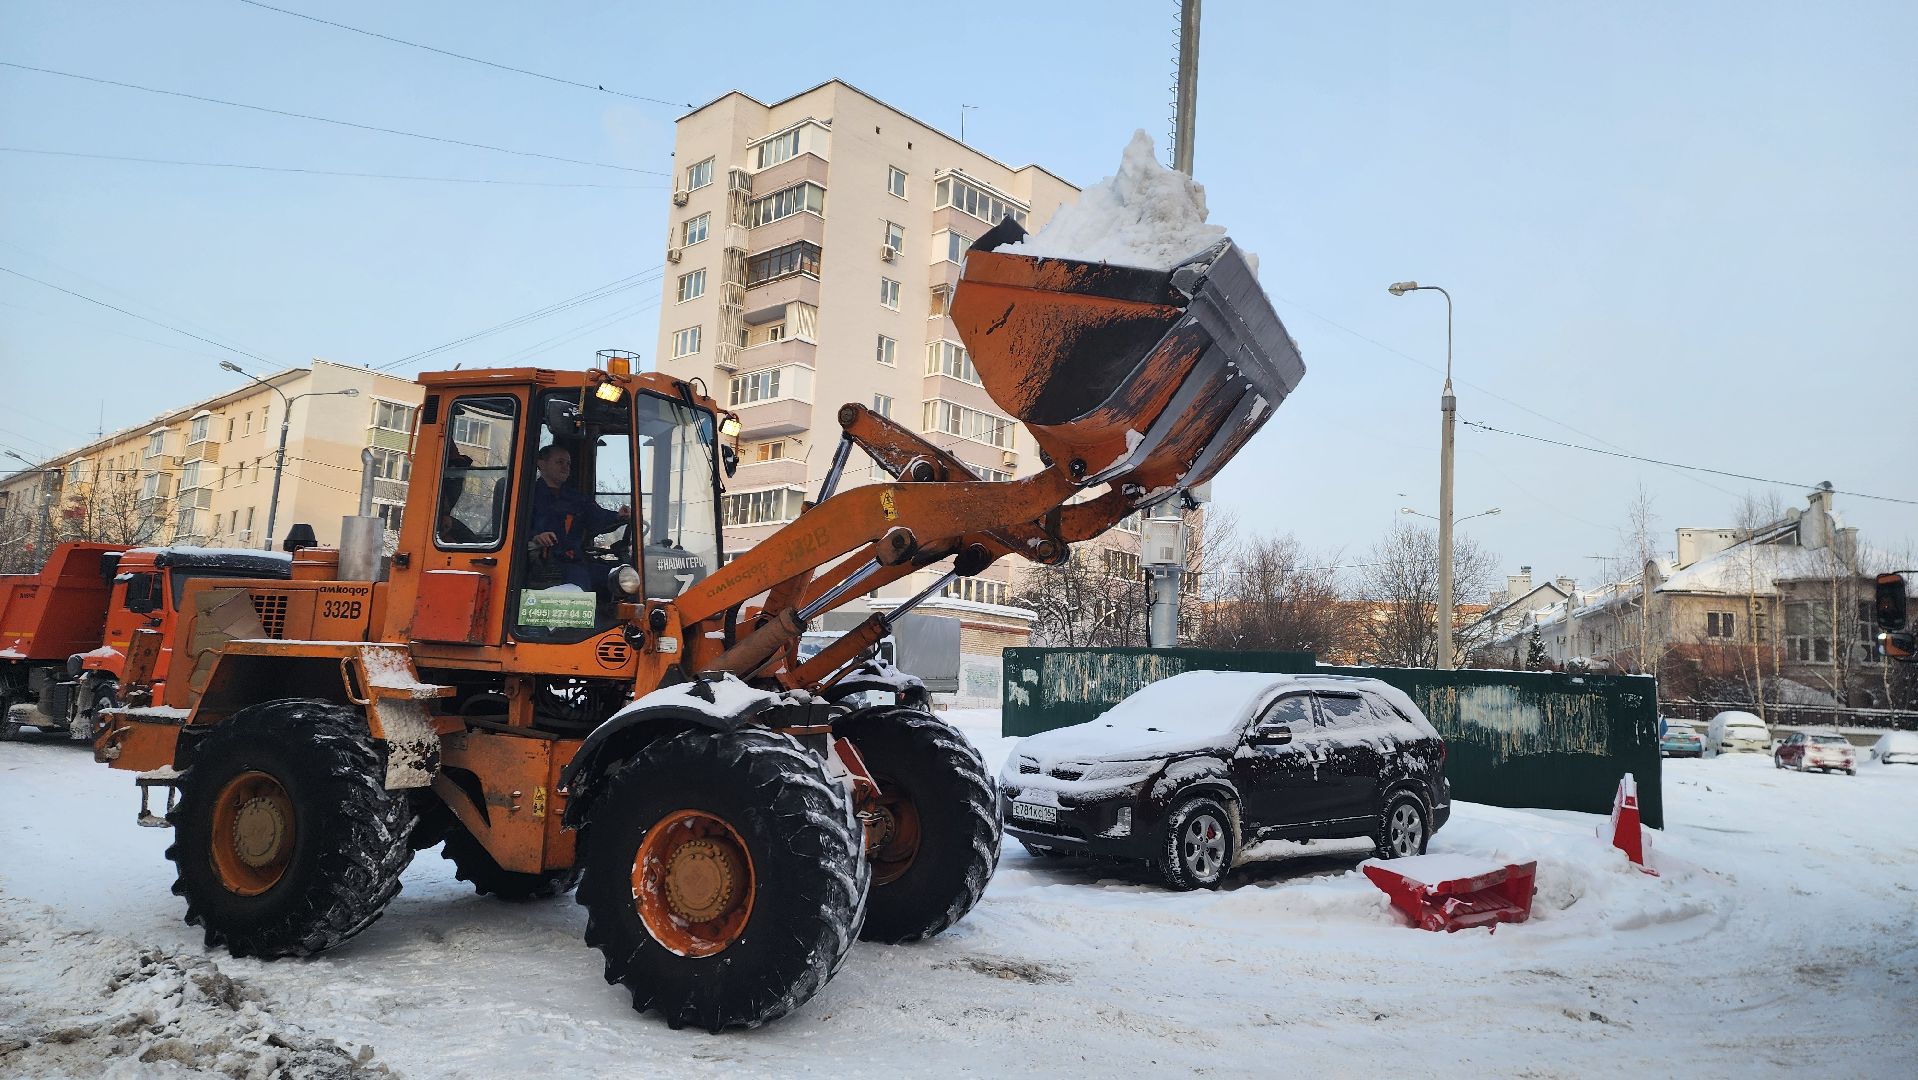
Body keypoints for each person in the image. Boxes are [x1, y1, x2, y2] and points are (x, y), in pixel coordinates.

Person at [528, 442, 629, 591]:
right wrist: (536, 537)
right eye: (560, 462)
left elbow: (597, 517)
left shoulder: (576, 498)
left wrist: (618, 516)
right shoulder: (528, 496)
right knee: (580, 578)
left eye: (568, 464)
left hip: (575, 559)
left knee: (622, 577)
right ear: (541, 464)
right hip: (544, 564)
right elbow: (517, 530)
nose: (565, 467)